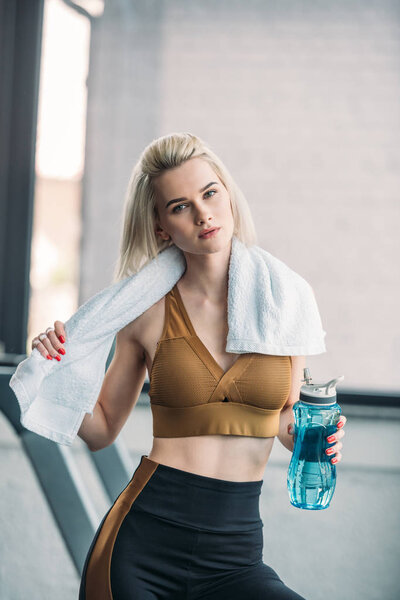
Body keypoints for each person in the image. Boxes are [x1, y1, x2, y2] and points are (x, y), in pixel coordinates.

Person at [31, 132, 346, 599]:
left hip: (235, 558)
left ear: (228, 194)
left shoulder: (285, 301)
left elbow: (285, 415)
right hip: (141, 549)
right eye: (180, 206)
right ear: (162, 227)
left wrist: (312, 435)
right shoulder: (145, 312)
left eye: (210, 193)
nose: (203, 213)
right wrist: (58, 369)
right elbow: (100, 432)